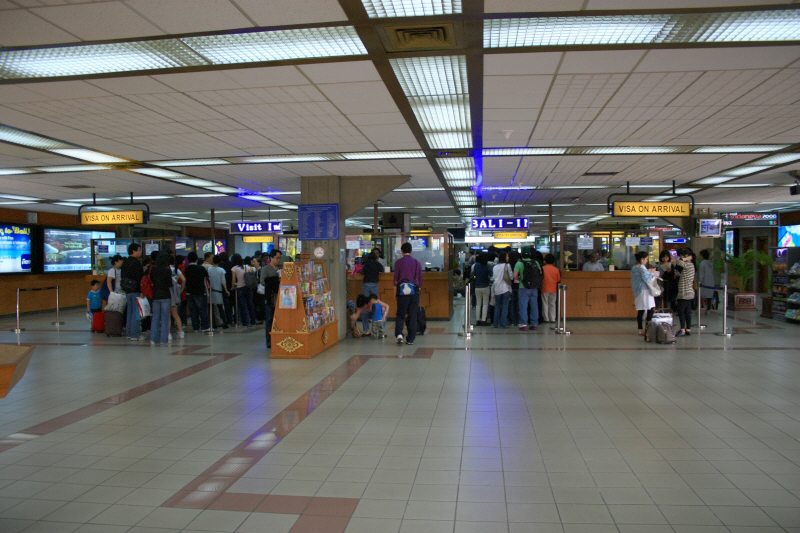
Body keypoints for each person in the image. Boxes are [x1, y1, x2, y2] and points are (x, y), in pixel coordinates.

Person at [394, 241, 422, 345]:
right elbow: (420, 279)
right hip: (414, 292)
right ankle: (410, 339)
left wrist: (394, 293)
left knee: (400, 314)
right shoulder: (417, 262)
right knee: (412, 315)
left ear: (402, 251)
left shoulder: (398, 263)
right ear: (411, 251)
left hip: (402, 292)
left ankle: (399, 334)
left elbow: (395, 280)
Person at [514, 247, 542, 331]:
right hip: (534, 288)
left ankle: (523, 324)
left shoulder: (519, 263)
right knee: (534, 306)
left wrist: (521, 280)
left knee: (523, 306)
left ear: (522, 254)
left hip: (523, 287)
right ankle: (534, 324)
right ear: (530, 254)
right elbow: (540, 273)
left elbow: (515, 276)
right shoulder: (536, 262)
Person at [148, 252, 173, 345]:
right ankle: (163, 339)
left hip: (155, 295)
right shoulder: (167, 270)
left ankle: (153, 339)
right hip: (165, 295)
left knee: (155, 317)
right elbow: (170, 284)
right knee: (165, 318)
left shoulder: (153, 269)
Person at [121, 243, 144, 341]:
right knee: (136, 312)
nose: (140, 251)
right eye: (139, 250)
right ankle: (135, 334)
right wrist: (141, 290)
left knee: (130, 312)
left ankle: (129, 333)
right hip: (135, 290)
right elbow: (140, 278)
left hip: (127, 289)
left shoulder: (125, 262)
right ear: (134, 251)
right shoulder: (137, 262)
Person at [260, 249, 282, 348]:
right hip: (270, 297)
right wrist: (275, 280)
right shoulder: (266, 269)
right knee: (269, 319)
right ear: (271, 258)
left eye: (279, 258)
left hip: (281, 297)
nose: (278, 260)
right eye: (277, 258)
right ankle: (269, 341)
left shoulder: (282, 268)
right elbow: (263, 282)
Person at [631, 251, 656, 336]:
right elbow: (647, 279)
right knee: (650, 309)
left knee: (641, 310)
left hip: (638, 291)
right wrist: (652, 272)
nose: (647, 261)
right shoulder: (642, 267)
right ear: (642, 259)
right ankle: (648, 329)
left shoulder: (634, 267)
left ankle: (640, 329)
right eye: (646, 259)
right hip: (645, 290)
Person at [184, 252, 210, 332]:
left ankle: (196, 327)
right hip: (200, 291)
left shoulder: (186, 269)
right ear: (196, 259)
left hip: (189, 291)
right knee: (202, 309)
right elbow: (207, 278)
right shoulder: (201, 268)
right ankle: (205, 327)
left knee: (193, 310)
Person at [675, 248, 696, 337]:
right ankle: (688, 329)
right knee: (687, 311)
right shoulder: (690, 266)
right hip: (688, 292)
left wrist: (686, 259)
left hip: (684, 293)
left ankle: (683, 329)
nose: (680, 258)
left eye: (682, 256)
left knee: (681, 311)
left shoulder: (689, 265)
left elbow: (677, 261)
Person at [231, 254, 254, 327]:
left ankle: (245, 321)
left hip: (240, 288)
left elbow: (233, 279)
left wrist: (232, 287)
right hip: (248, 287)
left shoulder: (234, 268)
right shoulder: (247, 267)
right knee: (250, 304)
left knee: (243, 306)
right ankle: (252, 320)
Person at [491, 250, 513, 329]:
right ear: (504, 257)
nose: (508, 257)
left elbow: (493, 278)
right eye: (507, 256)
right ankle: (503, 324)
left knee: (497, 306)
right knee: (505, 306)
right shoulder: (507, 266)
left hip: (497, 289)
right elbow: (510, 276)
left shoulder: (495, 267)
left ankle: (495, 323)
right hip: (505, 288)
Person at [208, 255, 228, 329]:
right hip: (219, 290)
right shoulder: (221, 270)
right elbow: (223, 281)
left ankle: (213, 324)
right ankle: (224, 323)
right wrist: (226, 290)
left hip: (211, 291)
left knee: (211, 308)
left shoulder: (209, 269)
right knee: (220, 308)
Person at [168, 255, 185, 339]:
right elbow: (184, 279)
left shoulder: (165, 270)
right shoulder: (176, 270)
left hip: (167, 294)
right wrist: (181, 289)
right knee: (175, 314)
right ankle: (181, 332)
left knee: (167, 315)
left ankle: (168, 334)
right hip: (175, 295)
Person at [473, 253, 491, 326]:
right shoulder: (488, 266)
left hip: (477, 286)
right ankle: (483, 320)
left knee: (478, 304)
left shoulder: (476, 266)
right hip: (485, 286)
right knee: (485, 304)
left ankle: (478, 320)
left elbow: (474, 274)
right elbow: (490, 275)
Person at [541, 254, 561, 323]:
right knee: (552, 304)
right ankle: (552, 318)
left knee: (545, 304)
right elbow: (558, 280)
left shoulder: (543, 268)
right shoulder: (556, 269)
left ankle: (546, 318)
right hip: (553, 289)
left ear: (545, 260)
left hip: (544, 288)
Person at [698, 249, 714, 314]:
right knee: (709, 296)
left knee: (701, 295)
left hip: (704, 282)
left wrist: (700, 282)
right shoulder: (711, 263)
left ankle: (699, 307)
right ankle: (708, 308)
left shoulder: (702, 263)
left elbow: (701, 274)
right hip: (711, 281)